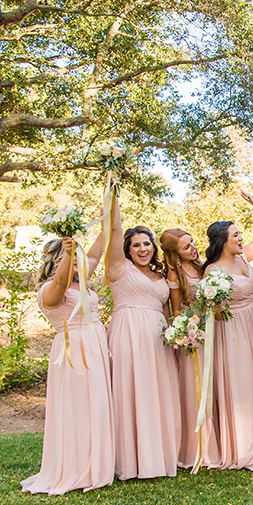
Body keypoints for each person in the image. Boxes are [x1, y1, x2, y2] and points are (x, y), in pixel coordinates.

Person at [22, 234, 114, 495]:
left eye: (77, 257)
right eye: (70, 258)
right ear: (56, 260)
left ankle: (97, 464)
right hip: (75, 351)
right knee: (79, 407)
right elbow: (61, 282)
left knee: (95, 404)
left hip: (95, 346)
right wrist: (69, 254)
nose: (77, 261)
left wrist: (109, 208)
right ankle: (78, 467)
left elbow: (97, 251)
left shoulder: (80, 279)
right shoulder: (49, 290)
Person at [105, 197, 180, 480]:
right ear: (127, 250)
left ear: (154, 247)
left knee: (158, 392)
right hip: (128, 332)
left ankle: (157, 456)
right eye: (136, 244)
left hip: (158, 337)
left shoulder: (161, 276)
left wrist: (178, 334)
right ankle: (130, 460)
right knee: (131, 390)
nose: (142, 249)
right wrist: (113, 190)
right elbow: (114, 230)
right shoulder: (119, 268)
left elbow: (166, 310)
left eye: (147, 243)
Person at [202, 192, 253, 471]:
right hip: (232, 331)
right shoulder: (213, 271)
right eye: (235, 236)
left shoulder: (244, 258)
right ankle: (245, 446)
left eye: (241, 235)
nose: (241, 239)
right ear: (222, 241)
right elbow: (213, 311)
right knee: (243, 383)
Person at [159, 228, 209, 469]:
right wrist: (186, 334)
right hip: (193, 334)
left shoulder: (201, 266)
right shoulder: (174, 273)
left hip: (214, 330)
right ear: (174, 253)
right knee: (194, 386)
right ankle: (195, 446)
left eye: (192, 243)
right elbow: (177, 310)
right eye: (186, 247)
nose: (193, 248)